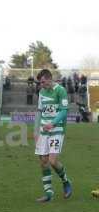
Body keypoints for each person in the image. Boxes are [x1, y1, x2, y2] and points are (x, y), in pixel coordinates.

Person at [34, 69, 72, 202]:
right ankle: (49, 194)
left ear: (50, 79)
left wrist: (53, 123)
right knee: (43, 161)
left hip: (57, 130)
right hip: (43, 131)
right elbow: (39, 112)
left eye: (43, 82)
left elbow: (64, 111)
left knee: (52, 160)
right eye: (40, 83)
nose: (41, 85)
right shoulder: (41, 92)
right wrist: (36, 131)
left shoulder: (60, 90)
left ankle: (66, 181)